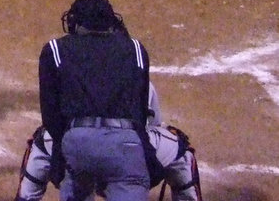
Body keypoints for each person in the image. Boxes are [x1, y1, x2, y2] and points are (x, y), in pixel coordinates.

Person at [38, 0, 156, 201]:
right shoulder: (136, 49)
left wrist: (70, 148)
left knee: (71, 175)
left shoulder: (55, 50)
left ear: (76, 23)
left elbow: (50, 117)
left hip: (78, 143)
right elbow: (140, 113)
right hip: (125, 145)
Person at [14, 82, 203, 201]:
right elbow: (152, 128)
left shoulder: (73, 78)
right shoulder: (142, 80)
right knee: (181, 152)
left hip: (78, 166)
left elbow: (54, 124)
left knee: (40, 143)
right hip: (129, 169)